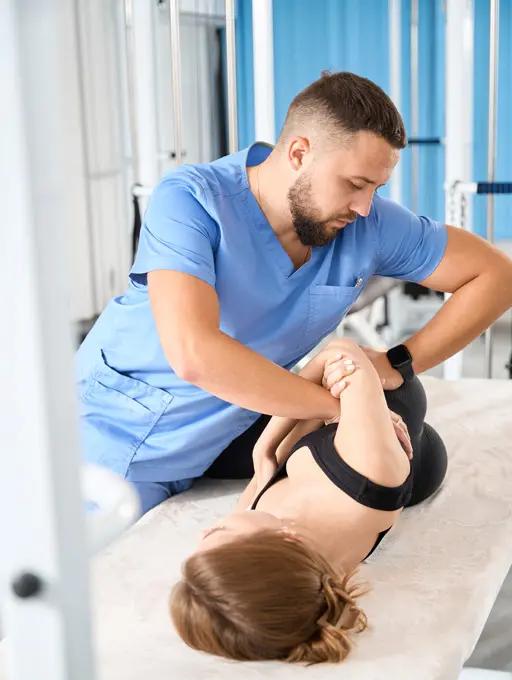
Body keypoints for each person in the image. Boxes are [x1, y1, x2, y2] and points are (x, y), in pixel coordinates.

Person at [76, 71, 512, 515]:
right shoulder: (191, 200)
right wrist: (339, 410)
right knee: (380, 433)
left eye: (375, 189)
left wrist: (400, 359)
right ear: (300, 153)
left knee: (415, 442)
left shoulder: (367, 222)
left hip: (233, 422)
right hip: (126, 433)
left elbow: (495, 274)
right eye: (355, 184)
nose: (364, 207)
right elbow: (194, 354)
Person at [170, 337, 448, 665]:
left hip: (342, 433)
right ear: (287, 540)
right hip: (406, 428)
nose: (204, 533)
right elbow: (342, 349)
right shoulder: (366, 475)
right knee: (362, 374)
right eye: (216, 537)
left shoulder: (277, 550)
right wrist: (336, 407)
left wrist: (266, 446)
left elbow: (268, 458)